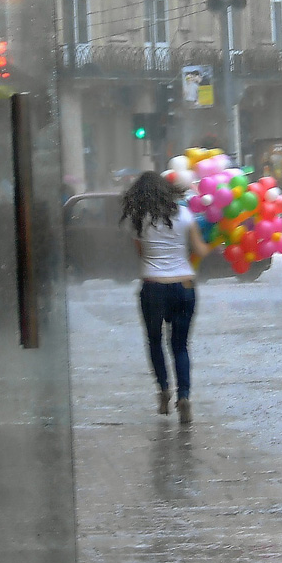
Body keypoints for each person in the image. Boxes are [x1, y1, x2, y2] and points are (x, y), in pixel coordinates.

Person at [120, 171, 212, 424]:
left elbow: (142, 255)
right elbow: (201, 249)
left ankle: (163, 390)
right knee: (180, 345)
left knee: (154, 340)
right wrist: (213, 238)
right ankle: (184, 396)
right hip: (184, 286)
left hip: (153, 288)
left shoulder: (136, 220)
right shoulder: (184, 215)